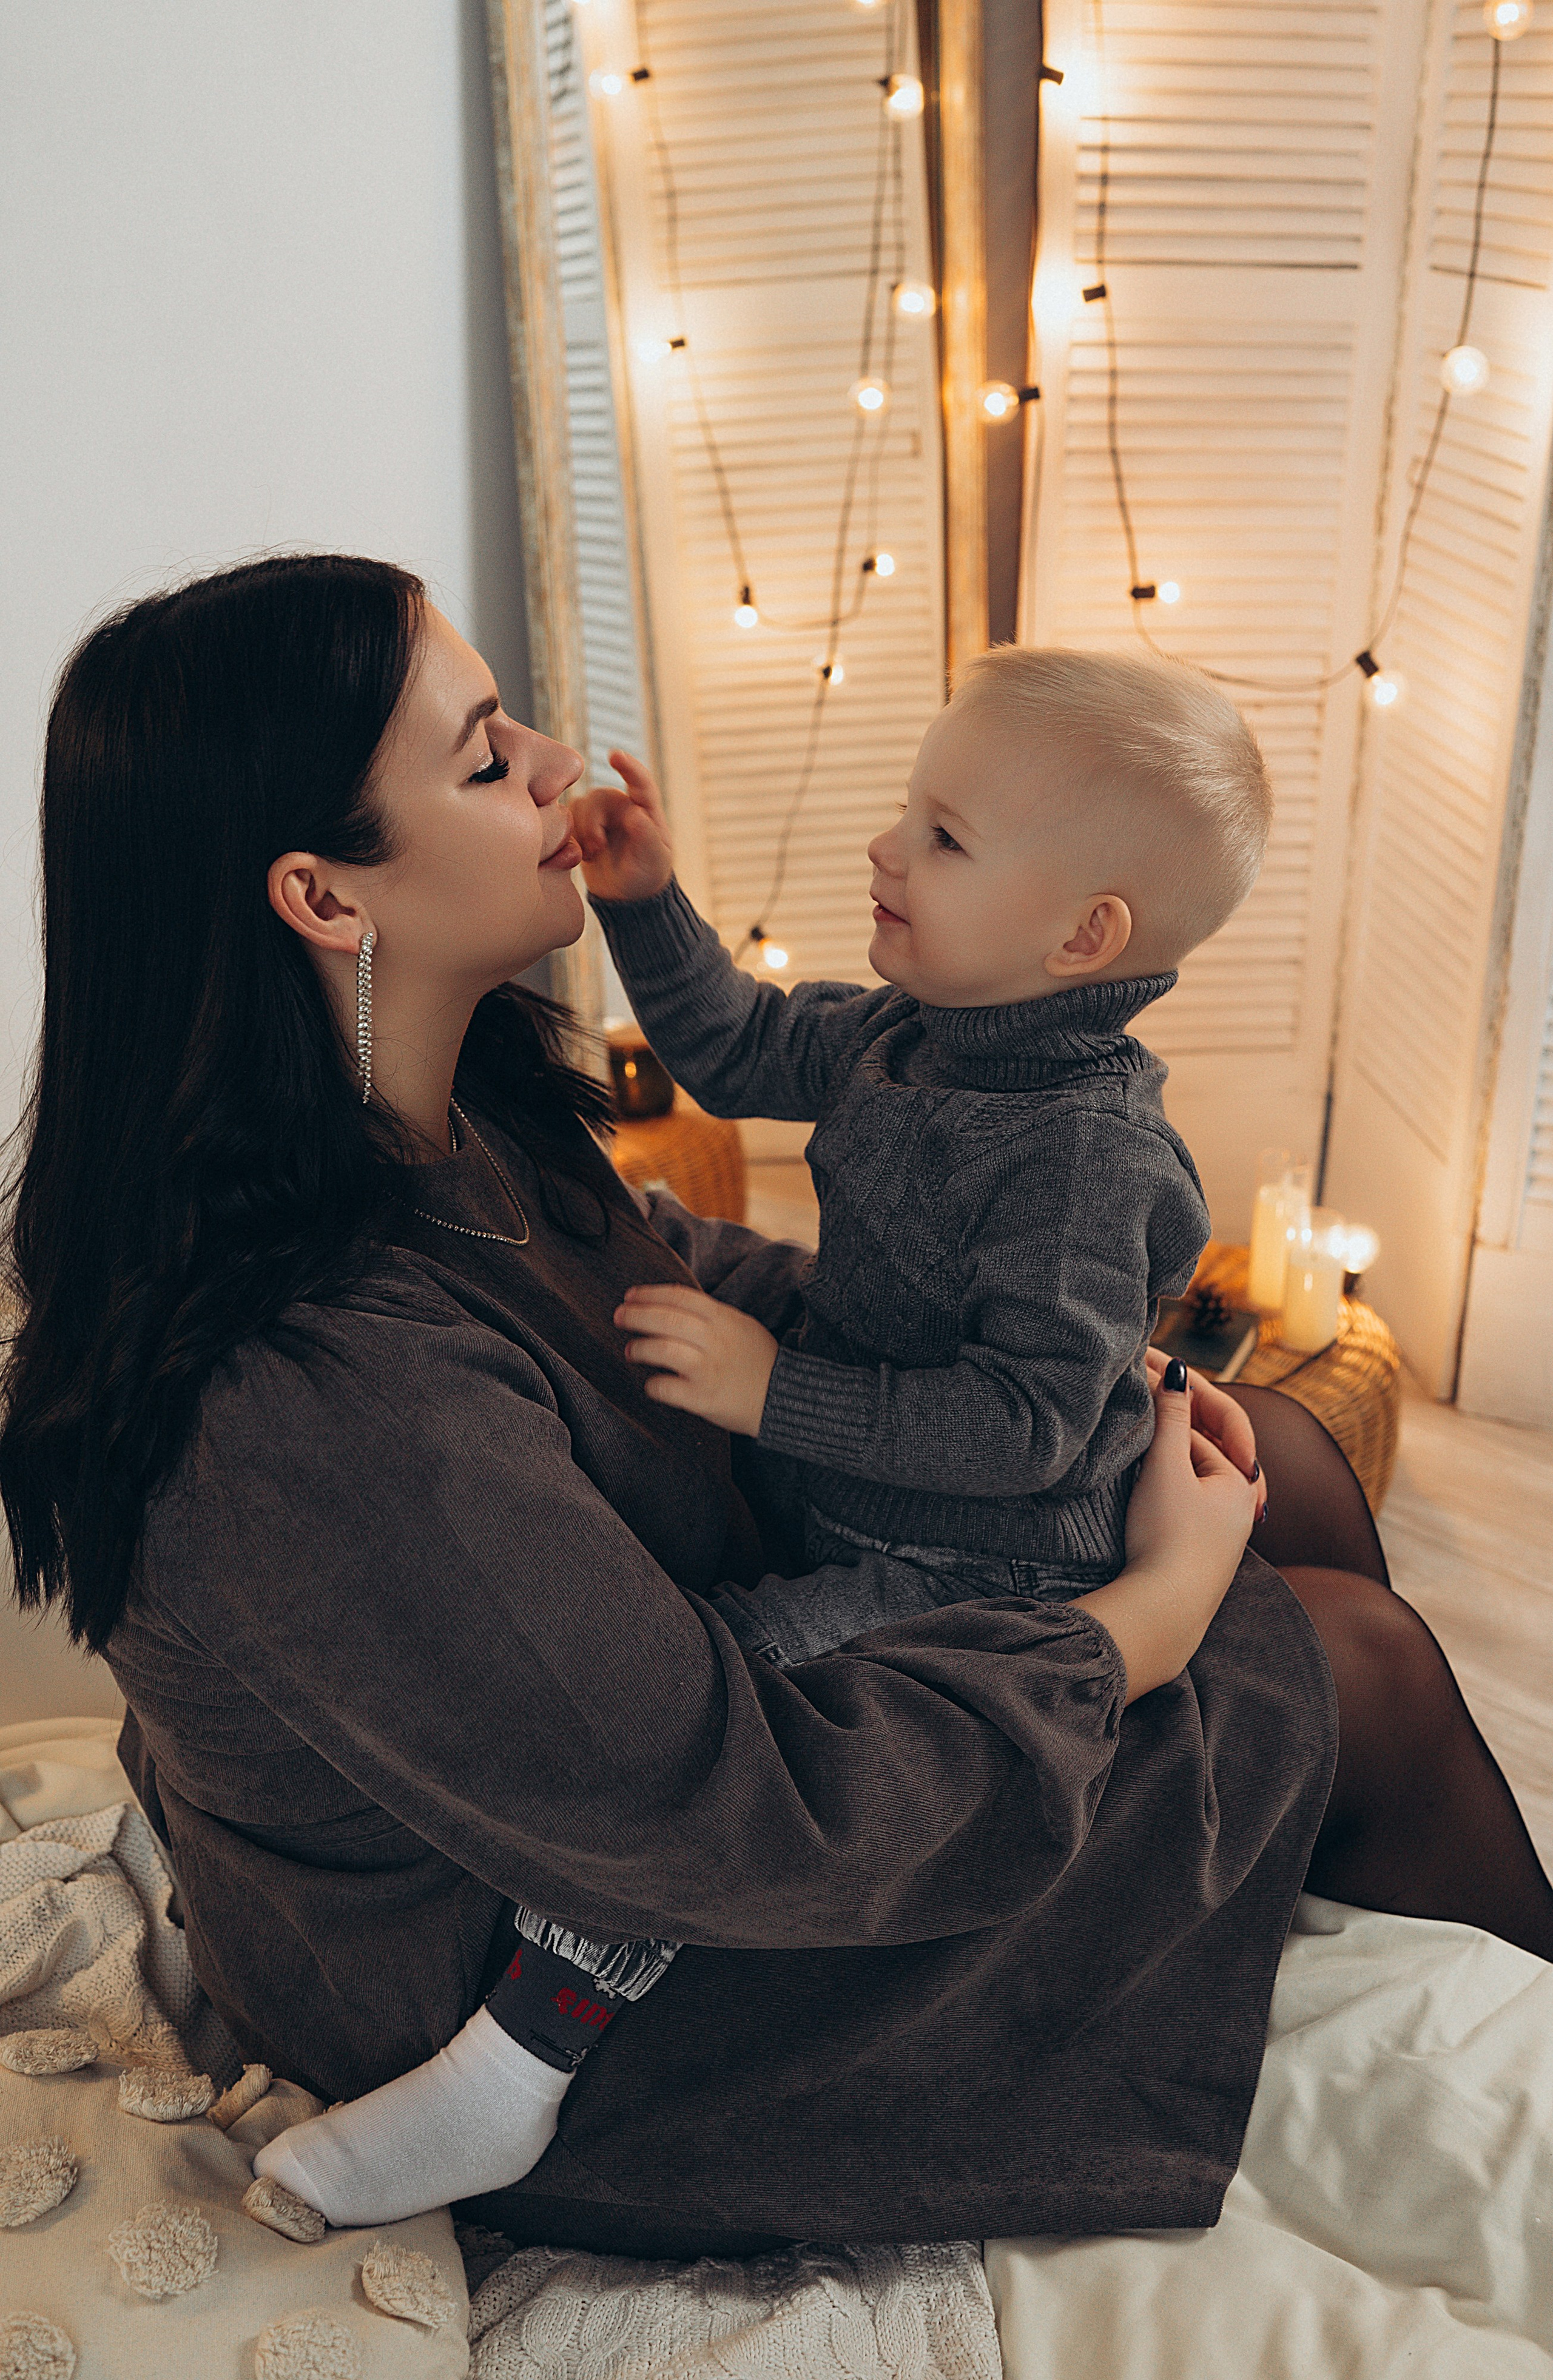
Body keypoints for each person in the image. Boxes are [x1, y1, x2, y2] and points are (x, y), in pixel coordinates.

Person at [4, 555, 1549, 2263]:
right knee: (1360, 1665)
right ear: (323, 895)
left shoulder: (450, 1120)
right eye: (478, 755)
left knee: (1295, 1463)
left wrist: (1100, 1375)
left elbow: (684, 1275)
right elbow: (723, 1812)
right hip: (575, 1994)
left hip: (646, 1787)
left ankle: (1314, 1899)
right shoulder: (310, 1398)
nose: (549, 765)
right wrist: (1152, 1619)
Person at [255, 643, 1278, 2223]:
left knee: (764, 1669)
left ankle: (524, 2053)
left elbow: (1020, 1431)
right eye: (909, 811)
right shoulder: (910, 1032)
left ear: (1085, 935)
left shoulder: (1083, 1152)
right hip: (864, 1477)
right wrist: (645, 902)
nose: (885, 848)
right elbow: (733, 1047)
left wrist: (765, 1388)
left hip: (964, 1551)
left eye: (942, 836)